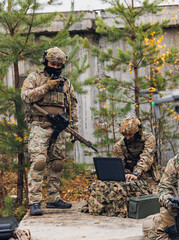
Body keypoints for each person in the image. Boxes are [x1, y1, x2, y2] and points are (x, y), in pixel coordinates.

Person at [21, 47, 78, 216]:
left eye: (59, 64)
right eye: (53, 63)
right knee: (39, 161)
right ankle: (35, 202)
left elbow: (72, 105)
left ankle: (53, 198)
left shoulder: (66, 83)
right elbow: (25, 96)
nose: (56, 67)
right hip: (40, 125)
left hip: (59, 127)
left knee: (57, 163)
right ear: (45, 62)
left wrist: (74, 127)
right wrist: (46, 87)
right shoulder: (35, 77)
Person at [81, 116, 158, 217]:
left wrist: (136, 173)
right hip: (128, 177)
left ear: (138, 131)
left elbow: (146, 158)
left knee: (155, 200)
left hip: (148, 176)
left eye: (130, 134)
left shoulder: (149, 138)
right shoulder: (120, 145)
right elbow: (118, 164)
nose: (128, 137)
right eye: (125, 134)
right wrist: (122, 175)